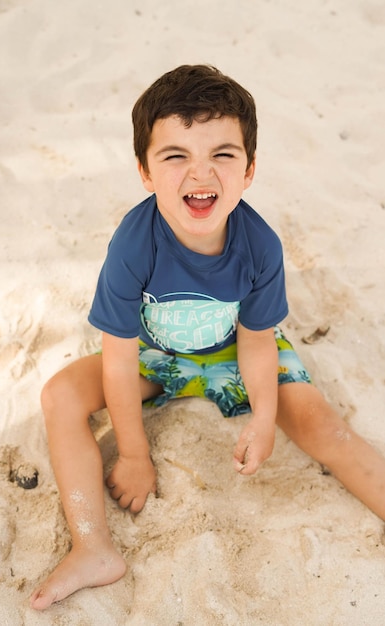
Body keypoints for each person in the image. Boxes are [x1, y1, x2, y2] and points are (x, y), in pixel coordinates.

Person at [30, 65, 385, 611]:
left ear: (250, 169)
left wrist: (264, 419)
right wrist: (132, 453)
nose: (202, 174)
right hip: (156, 355)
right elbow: (120, 359)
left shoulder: (259, 245)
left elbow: (258, 341)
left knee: (324, 427)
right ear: (146, 172)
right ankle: (93, 546)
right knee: (60, 395)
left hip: (234, 352)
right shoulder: (133, 243)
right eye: (176, 156)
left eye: (223, 154)